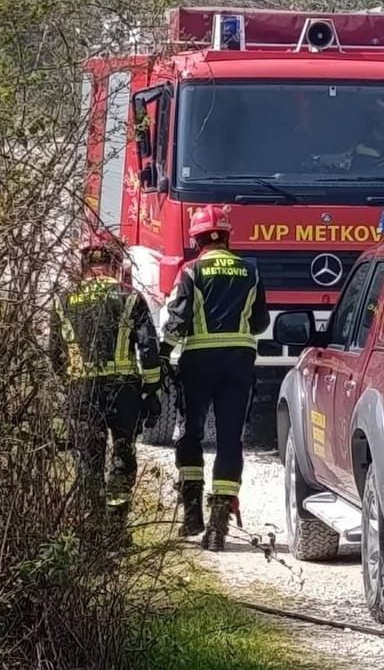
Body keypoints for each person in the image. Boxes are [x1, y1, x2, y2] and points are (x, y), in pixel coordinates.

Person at [162, 205, 269, 551]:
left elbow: (178, 319)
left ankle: (192, 514)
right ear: (227, 235)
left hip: (198, 362)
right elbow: (259, 323)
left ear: (196, 239)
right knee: (229, 440)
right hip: (239, 362)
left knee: (190, 433)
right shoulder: (249, 271)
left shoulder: (191, 271)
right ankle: (218, 526)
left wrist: (162, 354)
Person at [47, 232, 162, 540]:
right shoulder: (130, 297)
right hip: (124, 390)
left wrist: (68, 386)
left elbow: (54, 353)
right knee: (123, 455)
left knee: (88, 458)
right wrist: (152, 391)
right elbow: (149, 350)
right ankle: (116, 530)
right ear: (115, 263)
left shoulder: (63, 300)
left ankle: (91, 527)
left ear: (83, 264)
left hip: (82, 392)